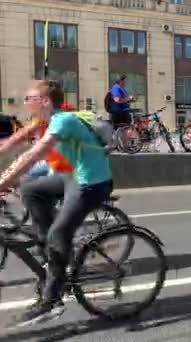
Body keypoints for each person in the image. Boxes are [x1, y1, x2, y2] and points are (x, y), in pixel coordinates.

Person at [2, 80, 112, 326]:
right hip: (70, 176)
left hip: (91, 183)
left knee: (58, 233)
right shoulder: (46, 119)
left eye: (28, 98)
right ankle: (52, 257)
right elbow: (16, 142)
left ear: (44, 101)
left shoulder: (63, 121)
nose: (25, 102)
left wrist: (3, 182)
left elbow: (34, 154)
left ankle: (52, 301)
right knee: (31, 190)